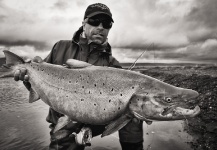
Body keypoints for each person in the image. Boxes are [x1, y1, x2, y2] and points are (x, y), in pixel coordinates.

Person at [14, 3, 145, 150]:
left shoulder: (112, 64)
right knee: (63, 140)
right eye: (95, 21)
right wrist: (27, 77)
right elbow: (40, 81)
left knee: (134, 114)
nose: (101, 27)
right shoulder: (60, 47)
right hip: (64, 122)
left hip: (97, 122)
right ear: (83, 23)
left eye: (106, 23)